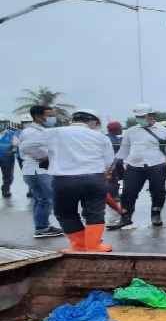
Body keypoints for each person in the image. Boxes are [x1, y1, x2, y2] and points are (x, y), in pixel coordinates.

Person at [21, 109, 114, 252]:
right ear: (93, 122)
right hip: (94, 179)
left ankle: (79, 246)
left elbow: (25, 146)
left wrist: (47, 156)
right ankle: (94, 247)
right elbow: (108, 162)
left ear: (73, 120)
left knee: (65, 213)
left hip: (64, 180)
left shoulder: (56, 132)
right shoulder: (100, 136)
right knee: (94, 212)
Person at [107, 104, 166, 230]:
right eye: (137, 117)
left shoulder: (165, 132)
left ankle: (156, 215)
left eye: (142, 116)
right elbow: (123, 150)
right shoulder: (131, 131)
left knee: (158, 191)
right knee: (128, 192)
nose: (139, 119)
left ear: (151, 116)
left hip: (157, 165)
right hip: (134, 166)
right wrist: (112, 167)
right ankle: (125, 218)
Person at [18, 106, 63, 238]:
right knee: (46, 200)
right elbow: (30, 149)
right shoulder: (31, 132)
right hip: (38, 169)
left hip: (36, 170)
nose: (52, 118)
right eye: (49, 115)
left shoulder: (41, 130)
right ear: (38, 116)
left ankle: (41, 225)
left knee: (41, 199)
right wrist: (47, 155)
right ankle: (42, 227)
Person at [0, 115, 19, 198]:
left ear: (5, 123)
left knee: (8, 175)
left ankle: (6, 190)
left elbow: (16, 145)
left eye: (1, 122)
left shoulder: (11, 134)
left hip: (7, 159)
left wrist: (12, 151)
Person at [105, 121, 124, 200]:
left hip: (119, 163)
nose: (121, 130)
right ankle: (114, 196)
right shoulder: (107, 139)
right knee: (113, 180)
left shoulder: (117, 138)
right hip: (113, 164)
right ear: (113, 129)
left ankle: (117, 194)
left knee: (121, 179)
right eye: (120, 128)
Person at [16, 115, 34, 197]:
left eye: (29, 123)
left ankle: (31, 189)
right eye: (25, 123)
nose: (27, 124)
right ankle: (30, 187)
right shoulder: (17, 133)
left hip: (32, 157)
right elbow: (16, 144)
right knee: (26, 173)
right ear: (21, 124)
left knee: (33, 173)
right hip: (21, 157)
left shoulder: (35, 132)